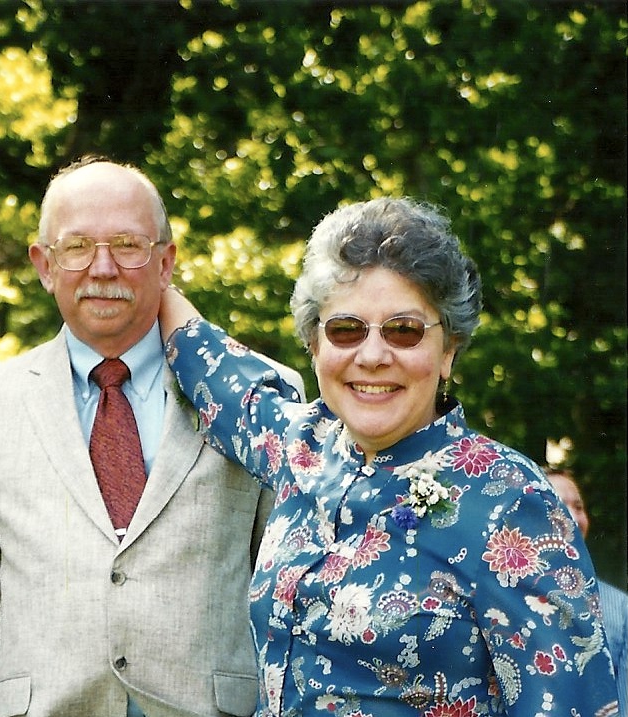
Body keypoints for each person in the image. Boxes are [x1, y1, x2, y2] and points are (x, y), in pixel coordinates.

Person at [159, 197, 619, 716]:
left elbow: (569, 703)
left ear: (448, 351)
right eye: (346, 329)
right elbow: (218, 373)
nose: (373, 355)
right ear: (314, 344)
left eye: (404, 330)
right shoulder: (301, 448)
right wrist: (141, 270)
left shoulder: (511, 503)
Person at [0, 156, 304, 717]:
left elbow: (290, 597)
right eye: (77, 247)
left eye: (128, 245)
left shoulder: (253, 398)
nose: (103, 268)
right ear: (45, 265)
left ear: (166, 263)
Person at [546, 468, 628, 715]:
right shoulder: (498, 596)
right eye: (559, 504)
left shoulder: (620, 608)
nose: (573, 516)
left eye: (579, 507)